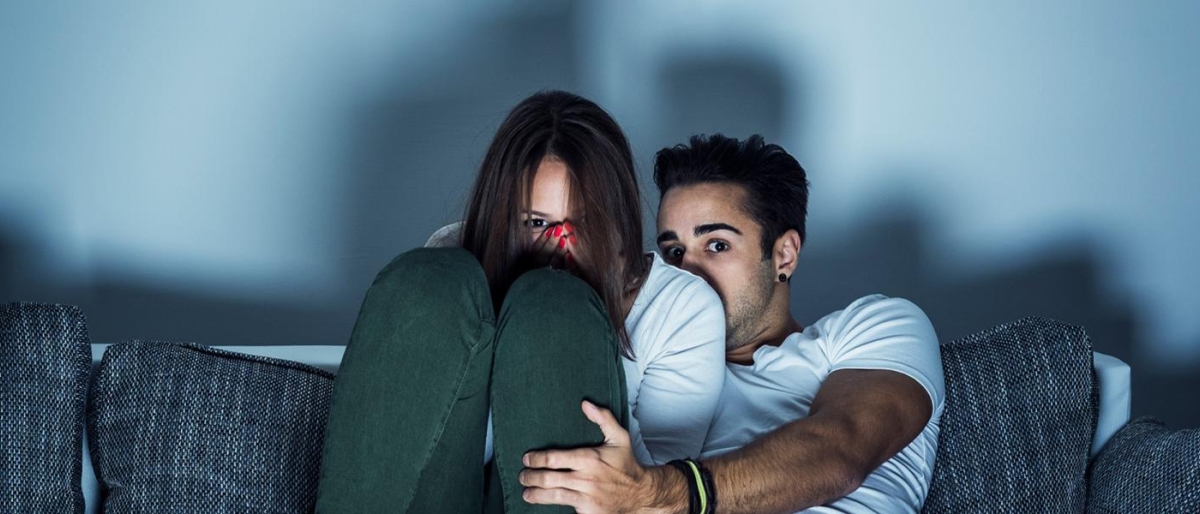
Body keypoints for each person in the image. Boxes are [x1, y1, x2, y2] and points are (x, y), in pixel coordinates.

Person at [314, 92, 726, 514]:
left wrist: (578, 340)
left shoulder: (682, 307)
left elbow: (660, 495)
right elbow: (426, 446)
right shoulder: (456, 272)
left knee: (553, 310)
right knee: (430, 278)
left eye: (585, 223)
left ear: (617, 219)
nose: (560, 244)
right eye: (535, 222)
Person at [520, 134, 945, 513]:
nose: (687, 272)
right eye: (672, 252)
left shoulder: (876, 327)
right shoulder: (649, 366)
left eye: (717, 244)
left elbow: (839, 448)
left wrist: (660, 493)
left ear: (784, 255)